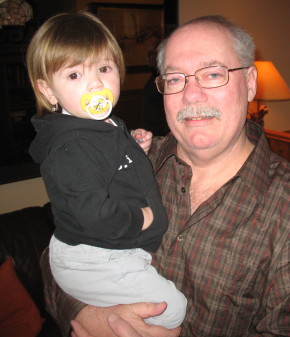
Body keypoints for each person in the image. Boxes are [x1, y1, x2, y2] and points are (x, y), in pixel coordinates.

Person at [42, 15, 290, 337]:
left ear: (250, 82)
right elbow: (56, 257)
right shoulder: (132, 161)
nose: (192, 95)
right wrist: (86, 315)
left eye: (212, 74)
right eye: (176, 79)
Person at [26, 12, 186, 330]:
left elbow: (107, 163)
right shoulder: (71, 144)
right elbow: (93, 214)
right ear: (48, 91)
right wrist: (142, 218)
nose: (96, 83)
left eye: (103, 68)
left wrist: (133, 146)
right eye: (74, 75)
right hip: (95, 256)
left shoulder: (102, 124)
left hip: (113, 249)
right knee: (173, 310)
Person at [141, 31, 170, 137]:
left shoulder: (165, 81)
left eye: (154, 55)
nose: (150, 59)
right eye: (150, 55)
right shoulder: (153, 83)